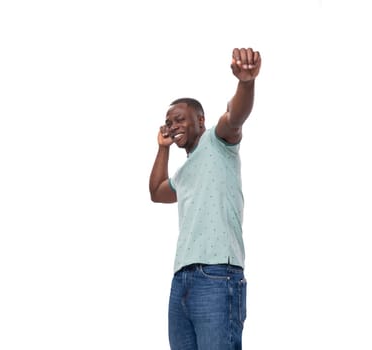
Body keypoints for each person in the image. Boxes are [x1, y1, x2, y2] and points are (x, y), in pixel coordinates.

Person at [149, 47, 261, 350]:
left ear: (200, 120)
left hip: (217, 276)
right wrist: (163, 147)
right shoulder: (183, 173)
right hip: (181, 280)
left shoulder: (218, 141)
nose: (173, 126)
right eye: (169, 121)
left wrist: (246, 83)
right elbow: (157, 192)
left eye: (180, 119)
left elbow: (235, 116)